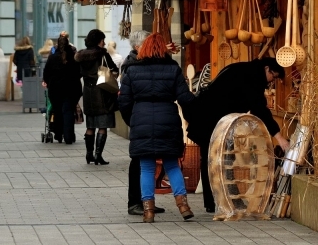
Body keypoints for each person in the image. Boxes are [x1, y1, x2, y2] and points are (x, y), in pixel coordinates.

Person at [184, 58, 289, 213]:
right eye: (273, 76)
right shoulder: (252, 76)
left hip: (216, 119)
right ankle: (219, 200)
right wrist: (279, 138)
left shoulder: (242, 69)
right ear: (267, 69)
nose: (272, 81)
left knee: (222, 158)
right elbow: (259, 108)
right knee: (213, 158)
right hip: (209, 118)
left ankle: (222, 200)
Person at [118, 33, 196, 223]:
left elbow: (124, 102)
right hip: (168, 119)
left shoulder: (132, 71)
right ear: (163, 48)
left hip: (141, 120)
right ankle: (183, 206)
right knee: (172, 165)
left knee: (146, 167)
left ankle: (148, 212)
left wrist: (133, 120)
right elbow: (185, 98)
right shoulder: (173, 68)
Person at [119, 30, 165, 217]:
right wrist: (132, 119)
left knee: (146, 160)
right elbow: (125, 99)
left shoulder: (139, 62)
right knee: (138, 162)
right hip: (140, 119)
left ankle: (147, 201)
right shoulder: (132, 65)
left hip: (143, 119)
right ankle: (135, 202)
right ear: (139, 46)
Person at [75, 29, 119, 165]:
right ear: (98, 41)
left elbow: (78, 74)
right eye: (102, 40)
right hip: (102, 91)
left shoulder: (81, 56)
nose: (104, 43)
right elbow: (114, 69)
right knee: (102, 125)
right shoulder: (102, 55)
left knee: (90, 125)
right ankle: (98, 155)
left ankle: (89, 155)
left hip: (88, 92)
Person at [42, 34, 81, 144]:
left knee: (58, 110)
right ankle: (69, 136)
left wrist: (49, 82)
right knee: (68, 111)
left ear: (58, 45)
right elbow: (79, 72)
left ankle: (58, 135)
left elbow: (46, 73)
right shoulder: (74, 57)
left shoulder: (53, 58)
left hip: (55, 89)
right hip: (72, 89)